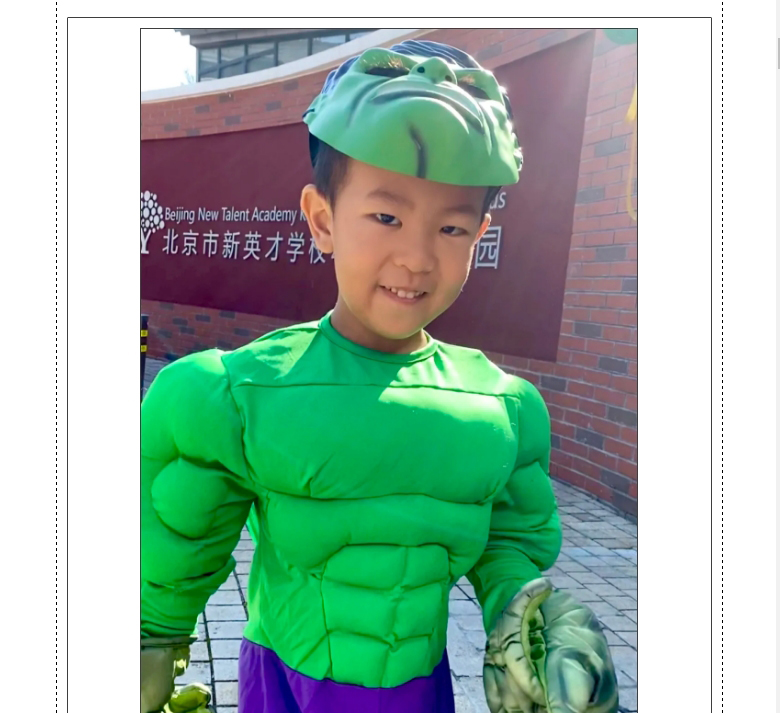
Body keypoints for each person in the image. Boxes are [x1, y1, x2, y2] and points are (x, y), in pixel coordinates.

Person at [141, 39, 619, 713]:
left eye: (451, 228)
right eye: (386, 217)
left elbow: (507, 543)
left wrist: (530, 617)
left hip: (416, 690)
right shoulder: (241, 394)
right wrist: (151, 641)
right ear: (323, 218)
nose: (417, 257)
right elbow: (179, 536)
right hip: (282, 682)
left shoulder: (499, 408)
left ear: (479, 234)